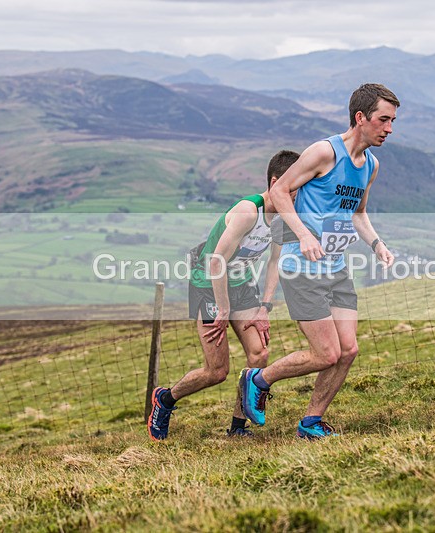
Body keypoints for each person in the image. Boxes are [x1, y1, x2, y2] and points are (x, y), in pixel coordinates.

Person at [239, 83, 399, 439]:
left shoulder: (370, 164)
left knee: (348, 350)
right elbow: (279, 191)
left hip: (337, 268)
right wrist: (304, 234)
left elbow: (359, 213)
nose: (389, 129)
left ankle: (311, 422)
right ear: (361, 118)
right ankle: (258, 379)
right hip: (303, 269)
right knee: (326, 353)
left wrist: (377, 244)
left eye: (392, 121)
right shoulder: (324, 152)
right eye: (383, 120)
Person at [148, 149, 300, 441]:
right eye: (294, 190)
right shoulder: (248, 212)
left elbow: (274, 262)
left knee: (260, 354)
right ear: (274, 182)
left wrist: (265, 307)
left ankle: (237, 428)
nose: (297, 199)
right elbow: (215, 262)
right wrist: (222, 307)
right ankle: (165, 400)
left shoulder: (284, 218)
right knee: (216, 371)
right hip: (209, 287)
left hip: (241, 286)